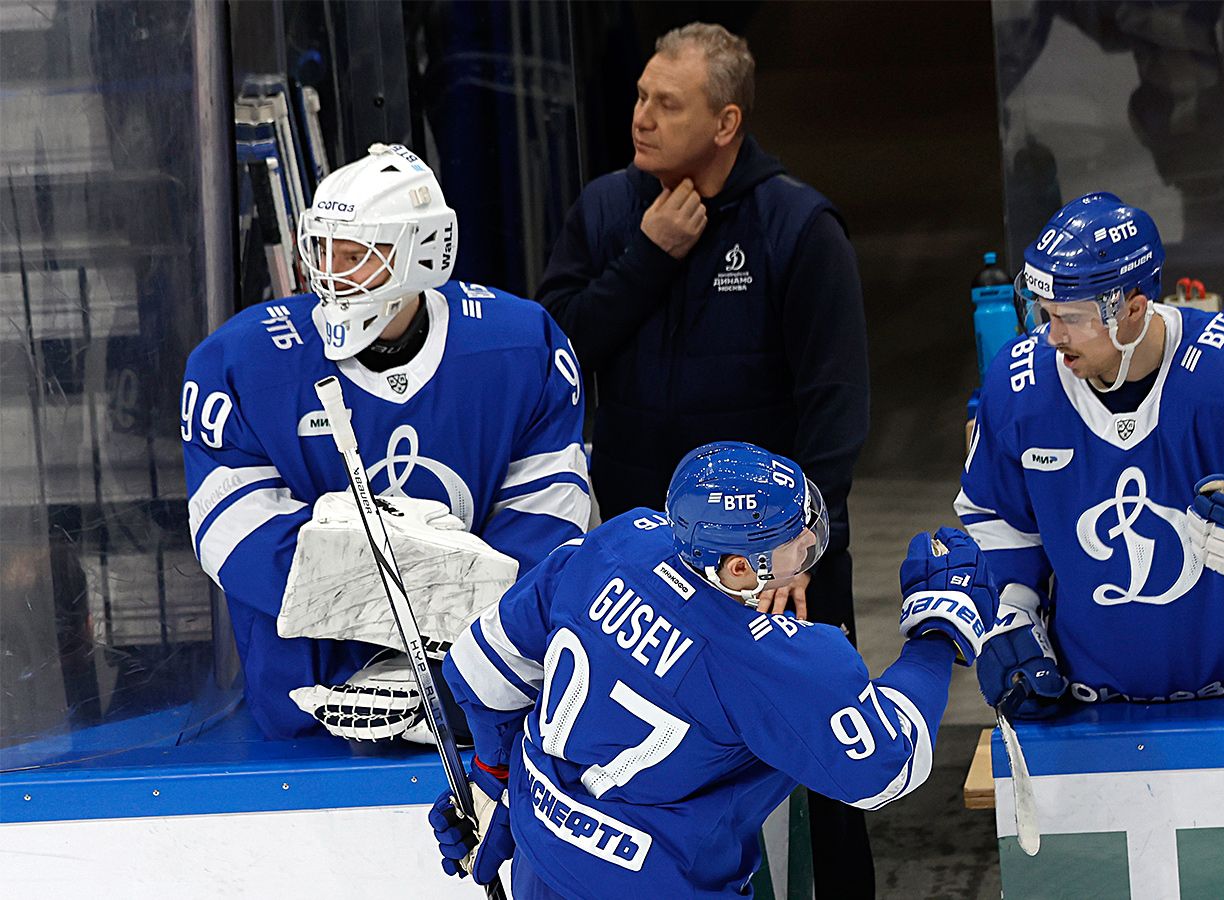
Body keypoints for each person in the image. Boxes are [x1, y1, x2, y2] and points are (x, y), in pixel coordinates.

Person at [532, 21, 872, 891]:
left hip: (775, 568)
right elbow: (556, 354)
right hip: (644, 561)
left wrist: (801, 552)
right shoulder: (607, 212)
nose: (641, 117)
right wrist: (648, 257)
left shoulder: (798, 226)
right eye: (641, 96)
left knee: (820, 772)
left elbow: (836, 406)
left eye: (668, 104)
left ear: (725, 123)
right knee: (651, 760)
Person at [426, 442, 995, 899]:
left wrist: (492, 775)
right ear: (740, 567)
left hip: (541, 855)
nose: (807, 541)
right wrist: (936, 636)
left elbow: (480, 663)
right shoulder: (768, 660)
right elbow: (884, 769)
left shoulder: (617, 542)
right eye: (791, 539)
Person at [182, 143, 591, 741]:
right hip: (304, 701)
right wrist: (421, 592)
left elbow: (548, 521)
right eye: (322, 249)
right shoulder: (240, 362)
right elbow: (230, 533)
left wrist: (463, 655)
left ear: (422, 252)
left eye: (355, 254)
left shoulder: (521, 347)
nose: (330, 272)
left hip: (475, 699)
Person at [962, 192, 1224, 716]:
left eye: (1071, 317)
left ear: (1133, 308)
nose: (1052, 336)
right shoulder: (1019, 387)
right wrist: (1012, 615)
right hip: (1102, 704)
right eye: (1044, 313)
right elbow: (997, 518)